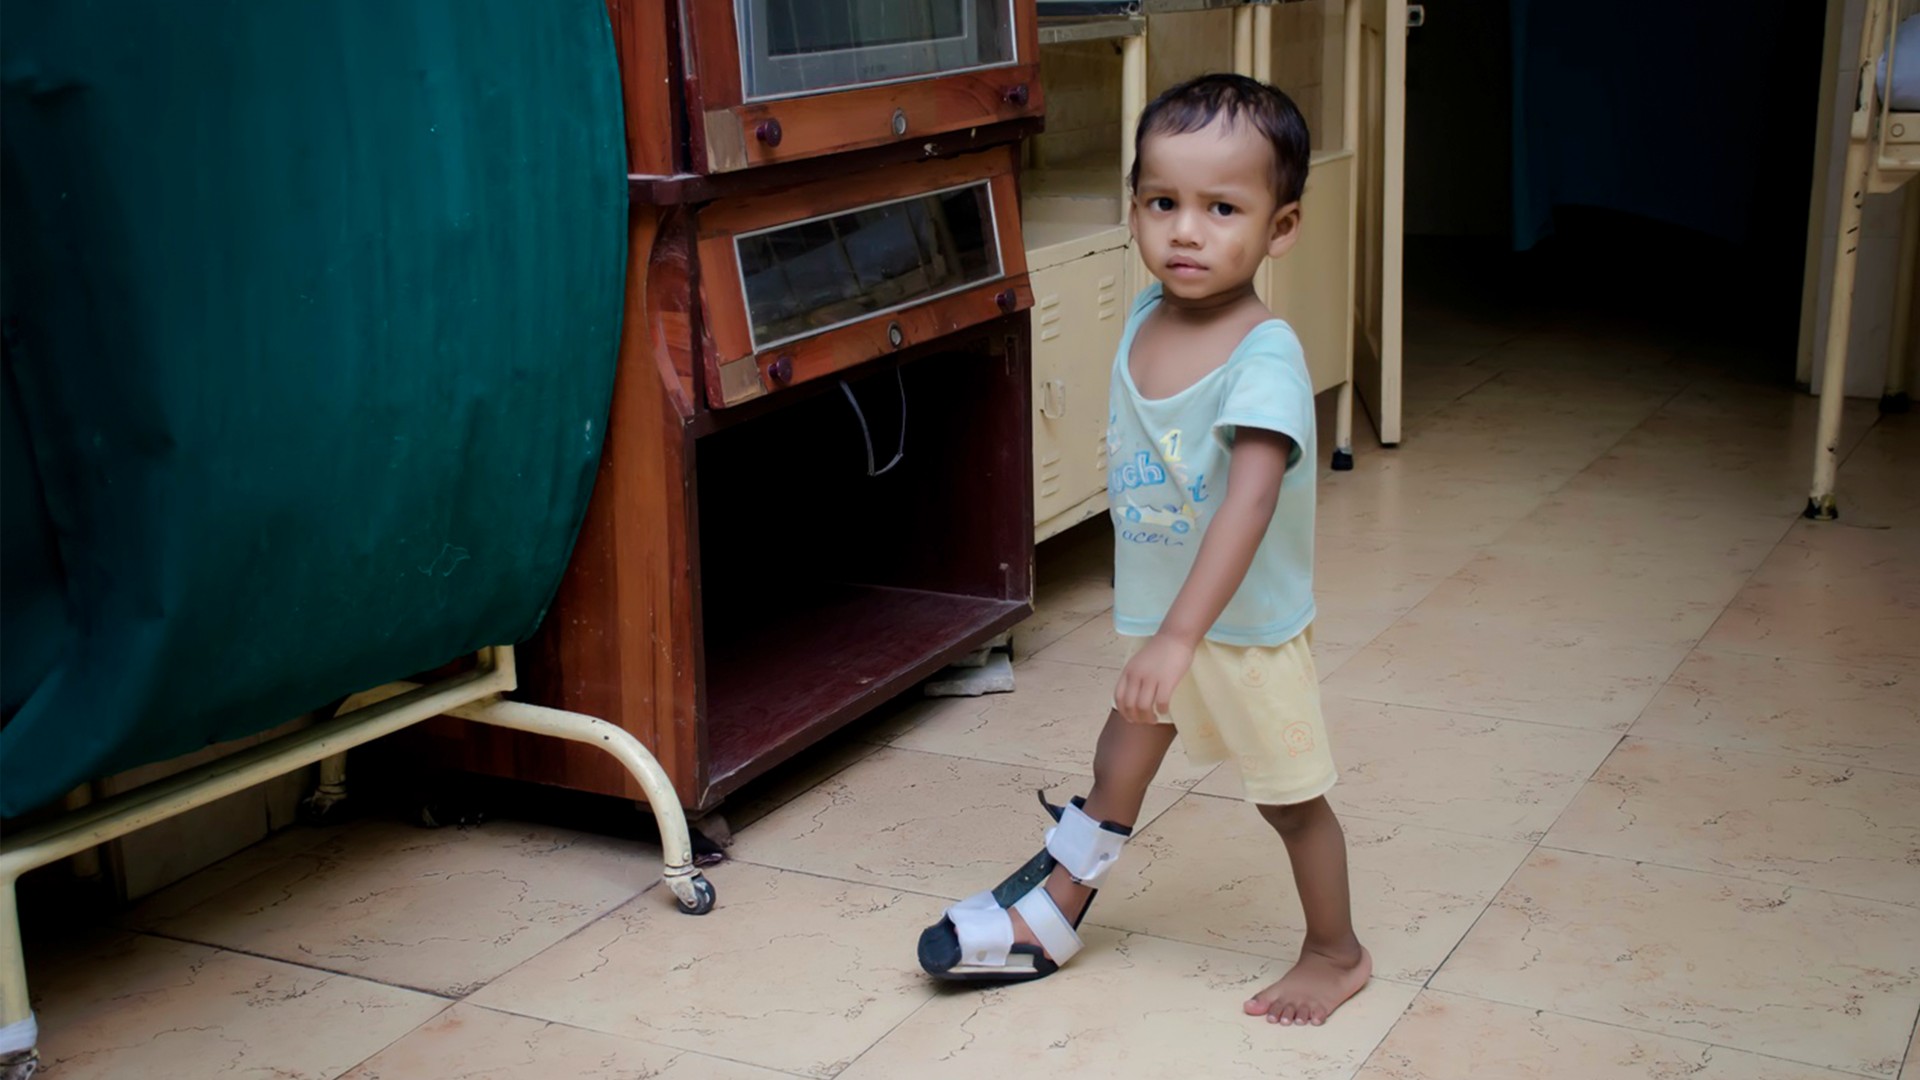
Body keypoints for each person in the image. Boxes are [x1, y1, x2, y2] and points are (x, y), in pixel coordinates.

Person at [916, 73, 1370, 1028]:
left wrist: (1178, 637)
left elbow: (1249, 504)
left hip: (1237, 629)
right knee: (1123, 753)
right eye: (1163, 203)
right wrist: (1164, 634)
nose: (1186, 231)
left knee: (1289, 802)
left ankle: (1336, 952)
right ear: (1134, 209)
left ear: (1280, 228)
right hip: (1174, 619)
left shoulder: (1265, 357)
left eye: (1222, 208)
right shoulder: (1145, 319)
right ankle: (1064, 902)